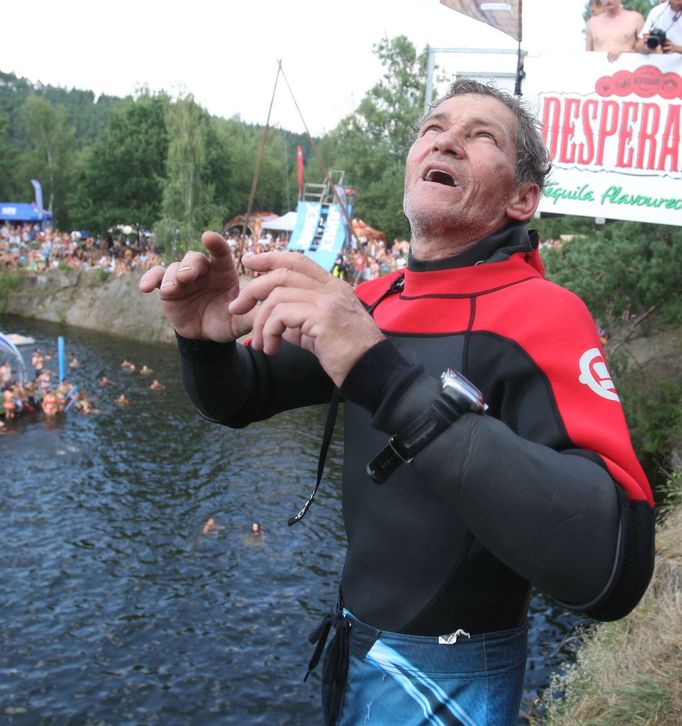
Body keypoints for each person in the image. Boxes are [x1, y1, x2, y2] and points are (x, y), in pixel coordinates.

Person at [140, 79, 655, 725]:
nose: (447, 138)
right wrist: (203, 341)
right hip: (356, 642)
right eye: (434, 128)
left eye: (481, 135)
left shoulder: (544, 312)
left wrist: (377, 370)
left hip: (454, 668)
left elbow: (612, 564)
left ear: (524, 198)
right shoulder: (372, 301)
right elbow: (242, 397)